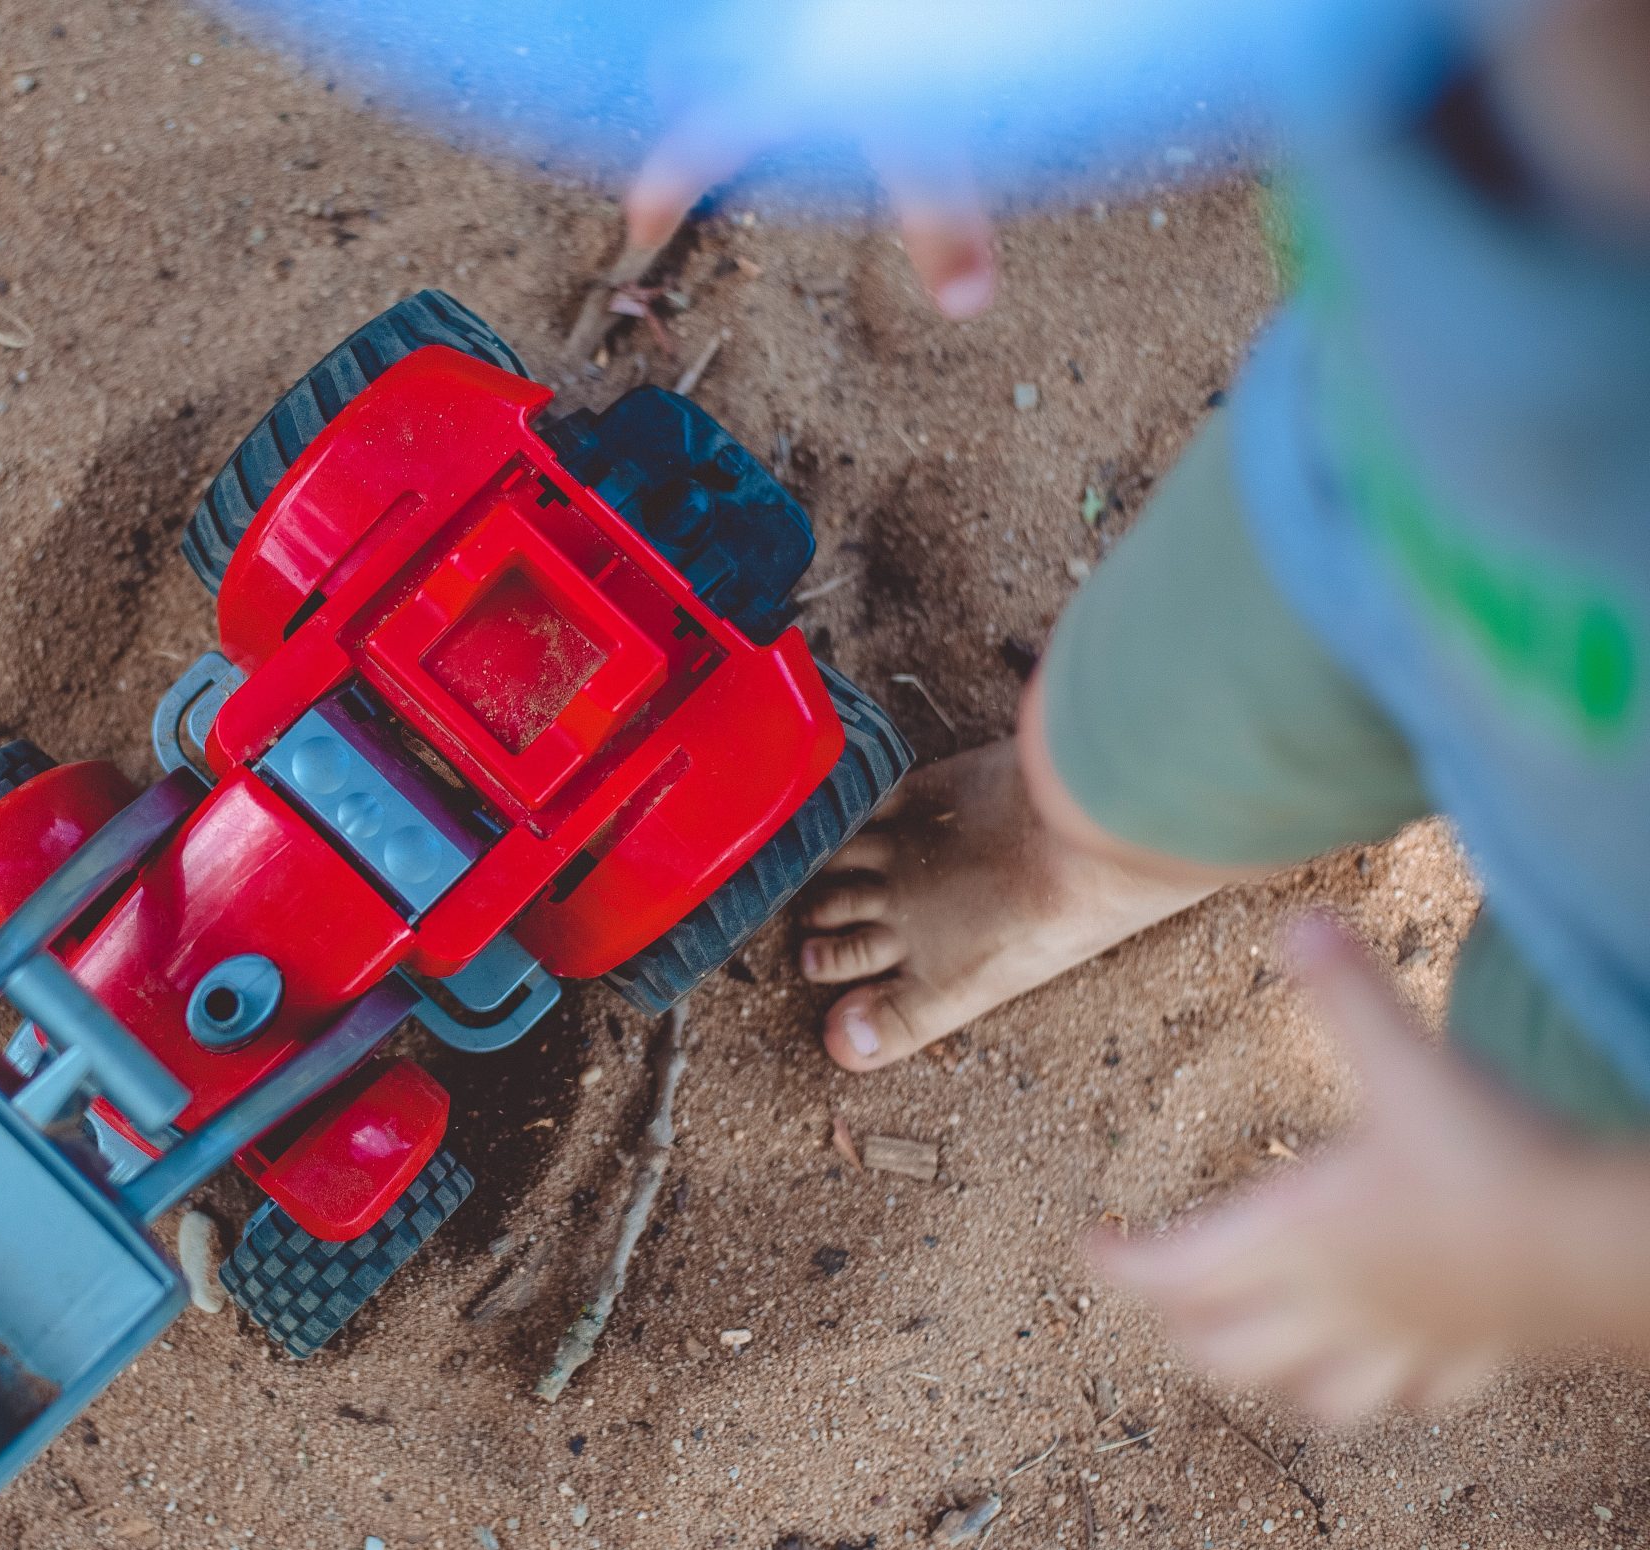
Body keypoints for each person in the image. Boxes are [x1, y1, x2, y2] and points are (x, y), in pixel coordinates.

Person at [630, 0, 1650, 1421]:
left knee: (1540, 1106)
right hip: (1381, 480)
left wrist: (1561, 1249)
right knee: (1130, 746)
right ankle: (1082, 864)